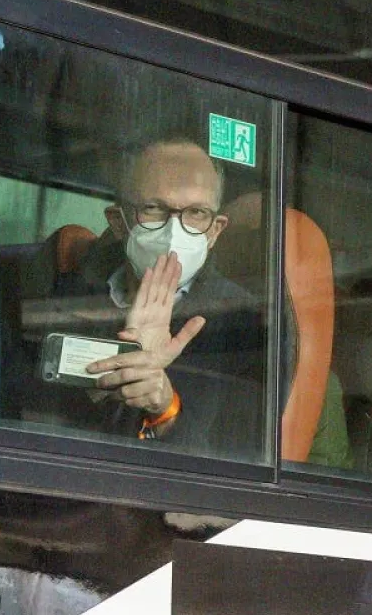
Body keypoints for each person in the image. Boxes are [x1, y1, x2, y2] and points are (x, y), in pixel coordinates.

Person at [23, 138, 264, 457]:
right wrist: (118, 369)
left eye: (196, 212)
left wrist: (165, 408)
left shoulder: (247, 324)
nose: (174, 230)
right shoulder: (66, 296)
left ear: (215, 231)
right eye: (154, 208)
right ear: (118, 222)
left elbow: (234, 476)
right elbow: (28, 423)